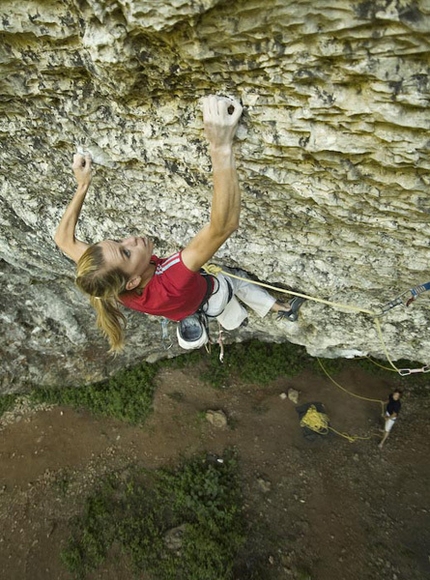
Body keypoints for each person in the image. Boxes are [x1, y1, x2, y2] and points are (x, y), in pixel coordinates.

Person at [54, 95, 305, 352]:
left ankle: (269, 310)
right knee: (237, 280)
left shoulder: (109, 280)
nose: (131, 239)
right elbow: (224, 226)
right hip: (211, 295)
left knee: (227, 291)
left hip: (186, 306)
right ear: (131, 282)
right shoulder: (171, 281)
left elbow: (63, 240)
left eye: (118, 241)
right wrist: (220, 146)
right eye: (126, 251)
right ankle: (281, 308)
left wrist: (82, 184)